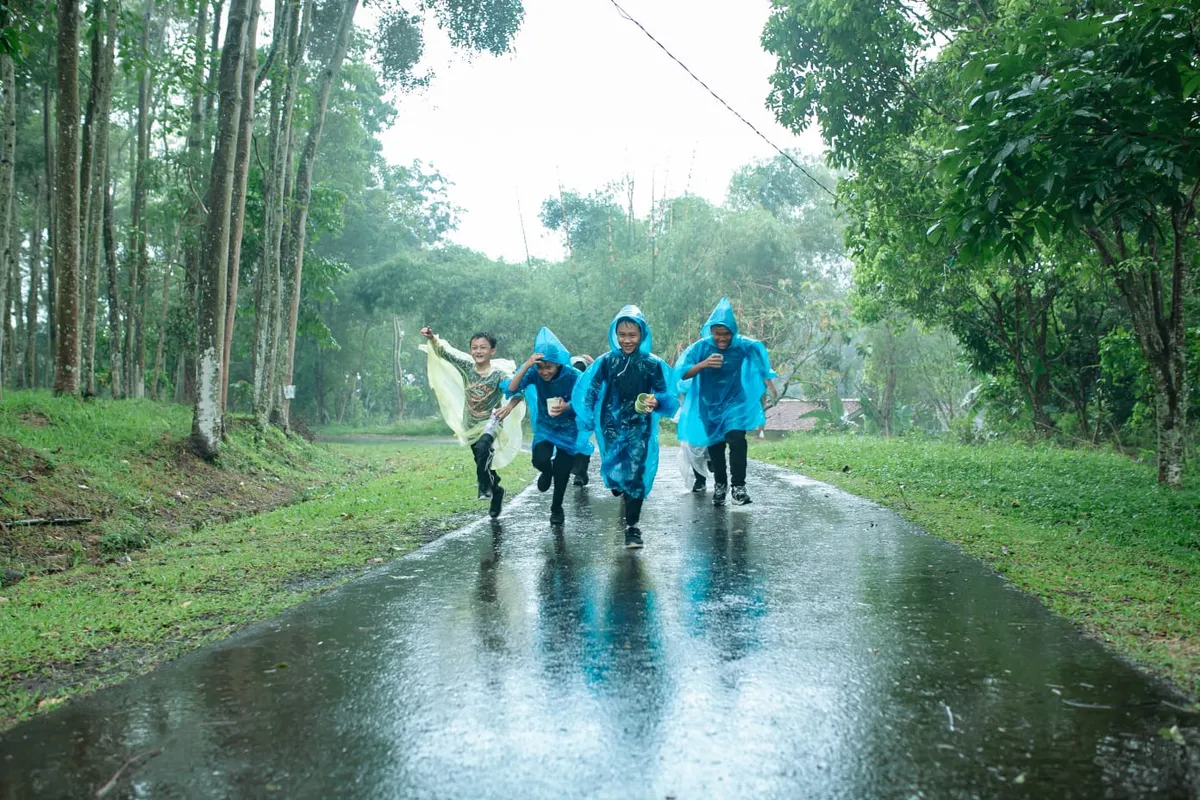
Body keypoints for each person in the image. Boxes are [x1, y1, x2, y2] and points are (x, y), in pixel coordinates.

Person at [573, 306, 679, 549]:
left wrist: (657, 401)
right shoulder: (606, 362)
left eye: (632, 335)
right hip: (609, 426)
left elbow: (668, 395)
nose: (627, 340)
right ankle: (619, 484)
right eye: (622, 334)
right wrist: (587, 417)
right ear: (615, 334)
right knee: (615, 473)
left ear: (642, 335)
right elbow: (589, 389)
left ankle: (632, 527)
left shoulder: (653, 364)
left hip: (640, 426)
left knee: (636, 474)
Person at [675, 298, 777, 506]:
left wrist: (767, 379)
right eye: (718, 334)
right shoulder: (700, 348)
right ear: (711, 331)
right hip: (709, 405)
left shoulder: (742, 346)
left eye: (727, 333)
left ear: (733, 331)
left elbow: (758, 353)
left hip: (735, 403)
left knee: (737, 439)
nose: (722, 339)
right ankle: (720, 484)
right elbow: (682, 374)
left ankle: (738, 487)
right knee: (716, 445)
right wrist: (703, 364)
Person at [420, 327, 525, 518]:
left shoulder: (499, 374)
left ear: (492, 351)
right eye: (474, 347)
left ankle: (483, 487)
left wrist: (509, 407)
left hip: (491, 421)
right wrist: (432, 338)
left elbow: (517, 391)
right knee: (481, 460)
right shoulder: (467, 367)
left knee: (485, 447)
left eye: (483, 347)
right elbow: (444, 353)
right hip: (470, 425)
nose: (478, 351)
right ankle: (496, 489)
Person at [507, 328, 590, 526]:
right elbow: (511, 389)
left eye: (549, 367)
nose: (544, 372)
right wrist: (528, 365)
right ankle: (546, 471)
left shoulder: (572, 375)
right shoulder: (534, 373)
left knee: (563, 469)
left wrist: (567, 406)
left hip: (569, 427)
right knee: (540, 459)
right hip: (545, 425)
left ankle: (556, 508)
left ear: (558, 363)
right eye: (540, 367)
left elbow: (585, 400)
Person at [569, 354, 595, 486]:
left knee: (581, 443)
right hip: (569, 416)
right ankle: (579, 472)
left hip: (583, 417)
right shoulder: (565, 379)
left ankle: (580, 473)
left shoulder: (589, 384)